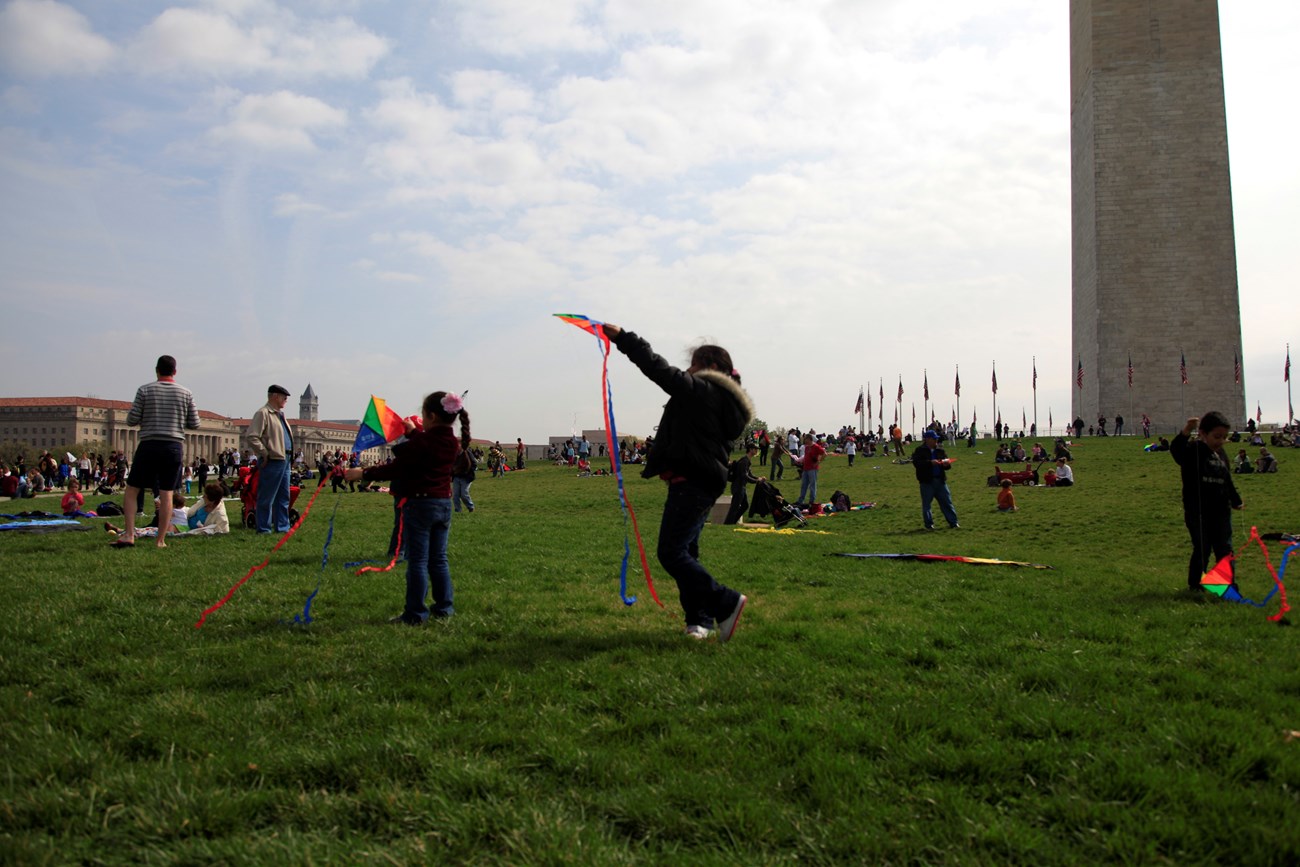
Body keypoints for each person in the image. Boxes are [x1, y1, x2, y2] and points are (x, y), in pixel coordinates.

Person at [603, 324, 750, 642]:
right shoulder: (717, 397)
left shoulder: (704, 390)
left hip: (693, 483)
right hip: (700, 482)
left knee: (671, 553)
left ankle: (725, 602)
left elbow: (659, 369)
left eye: (694, 364)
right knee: (686, 552)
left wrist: (624, 339)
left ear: (710, 368)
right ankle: (699, 621)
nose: (688, 369)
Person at [346, 391, 470, 625]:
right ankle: (444, 607)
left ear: (431, 416)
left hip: (421, 505)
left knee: (418, 561)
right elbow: (427, 446)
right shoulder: (451, 442)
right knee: (439, 560)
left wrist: (363, 473)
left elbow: (398, 467)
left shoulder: (424, 442)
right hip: (443, 505)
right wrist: (414, 433)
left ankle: (415, 613)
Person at [112, 355, 200, 548]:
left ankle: (129, 534)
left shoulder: (145, 390)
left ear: (156, 370)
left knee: (132, 489)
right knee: (167, 493)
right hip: (173, 446)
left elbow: (131, 420)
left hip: (150, 444)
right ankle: (161, 540)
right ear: (175, 371)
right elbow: (195, 423)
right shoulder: (186, 393)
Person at [1171, 412, 1243, 593]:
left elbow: (1227, 479)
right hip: (1198, 511)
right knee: (1203, 548)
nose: (1220, 441)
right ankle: (1195, 585)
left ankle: (1226, 585)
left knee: (1225, 549)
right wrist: (1187, 430)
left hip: (1221, 511)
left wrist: (1236, 500)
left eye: (1224, 437)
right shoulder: (1193, 450)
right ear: (1203, 434)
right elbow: (1176, 450)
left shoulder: (1220, 454)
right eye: (1216, 436)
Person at [246, 384, 295, 534]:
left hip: (285, 460)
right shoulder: (263, 413)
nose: (286, 400)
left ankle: (282, 527)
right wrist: (264, 453)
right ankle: (264, 528)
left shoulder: (279, 415)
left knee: (283, 496)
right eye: (284, 397)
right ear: (275, 396)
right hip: (273, 459)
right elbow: (252, 436)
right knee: (267, 497)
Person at [911, 428, 959, 530]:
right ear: (927, 439)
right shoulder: (919, 451)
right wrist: (930, 463)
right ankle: (929, 525)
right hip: (926, 482)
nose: (936, 441)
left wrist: (946, 464)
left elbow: (947, 466)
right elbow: (917, 464)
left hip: (940, 481)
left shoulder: (940, 450)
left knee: (947, 503)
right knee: (927, 505)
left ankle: (953, 522)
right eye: (934, 439)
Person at [723, 444, 762, 524]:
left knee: (745, 505)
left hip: (741, 486)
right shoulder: (744, 461)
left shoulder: (747, 461)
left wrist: (758, 478)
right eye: (755, 449)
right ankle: (728, 523)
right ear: (750, 450)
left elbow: (749, 475)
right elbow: (744, 476)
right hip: (738, 487)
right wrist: (756, 481)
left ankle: (732, 522)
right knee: (735, 507)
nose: (756, 451)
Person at [796, 433, 826, 506]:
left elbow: (824, 454)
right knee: (804, 485)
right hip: (806, 468)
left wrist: (818, 462)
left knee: (812, 485)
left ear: (809, 439)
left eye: (806, 439)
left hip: (813, 468)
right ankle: (801, 500)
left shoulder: (816, 446)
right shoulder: (806, 447)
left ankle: (811, 501)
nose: (804, 441)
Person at [452, 446, 478, 513]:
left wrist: (469, 472)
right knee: (455, 495)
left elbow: (474, 464)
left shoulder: (467, 453)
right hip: (456, 477)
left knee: (464, 494)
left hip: (466, 477)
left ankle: (471, 507)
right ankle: (458, 510)